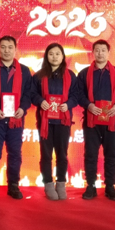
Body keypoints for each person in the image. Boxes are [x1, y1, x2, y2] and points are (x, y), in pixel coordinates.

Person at [0, 36, 33, 202]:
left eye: (10, 47)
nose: (6, 50)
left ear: (15, 49)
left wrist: (22, 108)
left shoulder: (24, 71)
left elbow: (28, 93)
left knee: (15, 153)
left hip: (15, 121)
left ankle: (13, 185)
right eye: (3, 47)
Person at [77, 39, 115, 201]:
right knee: (90, 154)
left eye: (103, 50)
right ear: (93, 52)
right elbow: (79, 94)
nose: (100, 53)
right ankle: (90, 185)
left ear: (109, 52)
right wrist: (88, 105)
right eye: (97, 50)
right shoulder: (84, 73)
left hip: (111, 119)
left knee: (111, 154)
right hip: (91, 120)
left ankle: (110, 186)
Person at [31, 43, 78, 200]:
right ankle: (48, 184)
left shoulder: (70, 75)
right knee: (46, 154)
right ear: (46, 56)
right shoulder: (38, 76)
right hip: (45, 122)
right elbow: (32, 93)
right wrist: (40, 101)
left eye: (58, 54)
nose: (54, 57)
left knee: (62, 154)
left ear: (63, 56)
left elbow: (76, 95)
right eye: (51, 54)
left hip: (63, 122)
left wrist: (68, 104)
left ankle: (61, 183)